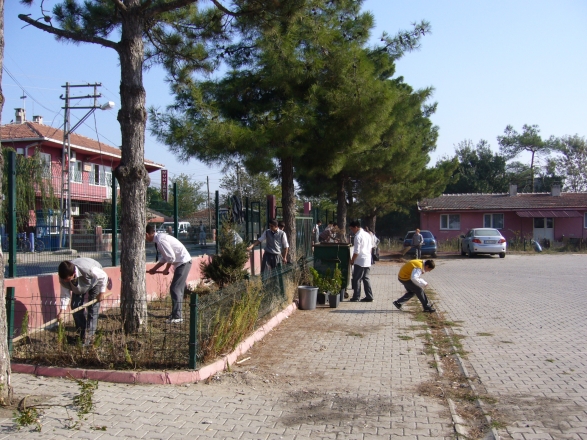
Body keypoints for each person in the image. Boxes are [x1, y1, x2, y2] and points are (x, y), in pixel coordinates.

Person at [146, 224, 192, 323]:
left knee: (175, 288)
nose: (144, 240)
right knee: (178, 289)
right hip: (181, 263)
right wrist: (154, 269)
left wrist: (166, 269)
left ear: (146, 234)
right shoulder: (159, 239)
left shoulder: (160, 240)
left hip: (183, 263)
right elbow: (165, 257)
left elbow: (171, 257)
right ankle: (176, 313)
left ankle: (177, 316)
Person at [57, 258, 109, 343]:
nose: (65, 281)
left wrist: (102, 293)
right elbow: (65, 295)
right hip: (78, 287)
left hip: (93, 282)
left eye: (67, 279)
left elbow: (103, 276)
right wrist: (62, 311)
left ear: (73, 274)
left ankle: (88, 337)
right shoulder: (63, 277)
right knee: (75, 306)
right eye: (64, 279)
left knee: (93, 308)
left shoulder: (88, 269)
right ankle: (82, 333)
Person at [349, 221, 374, 302]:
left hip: (360, 260)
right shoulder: (367, 234)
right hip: (367, 259)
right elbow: (370, 248)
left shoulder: (358, 236)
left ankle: (356, 297)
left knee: (357, 279)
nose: (352, 230)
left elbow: (356, 251)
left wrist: (352, 260)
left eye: (352, 229)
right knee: (366, 278)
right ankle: (369, 296)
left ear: (356, 227)